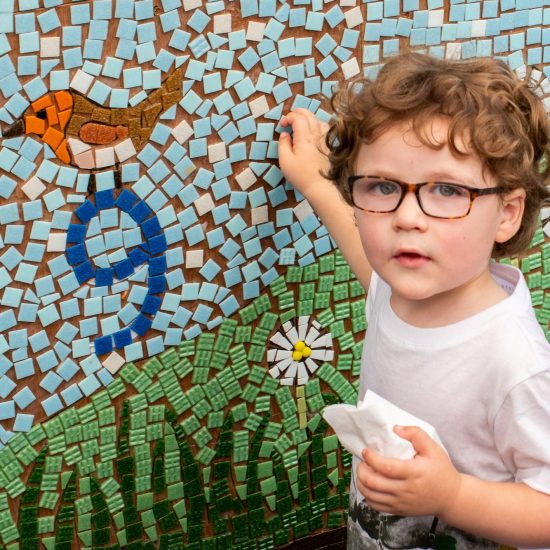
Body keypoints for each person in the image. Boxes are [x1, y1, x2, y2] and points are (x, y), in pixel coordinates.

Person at [278, 52, 550, 549]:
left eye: (446, 190)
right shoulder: (396, 289)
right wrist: (318, 182)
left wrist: (452, 496)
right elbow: (360, 245)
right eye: (382, 186)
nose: (407, 217)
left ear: (507, 213)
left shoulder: (514, 362)